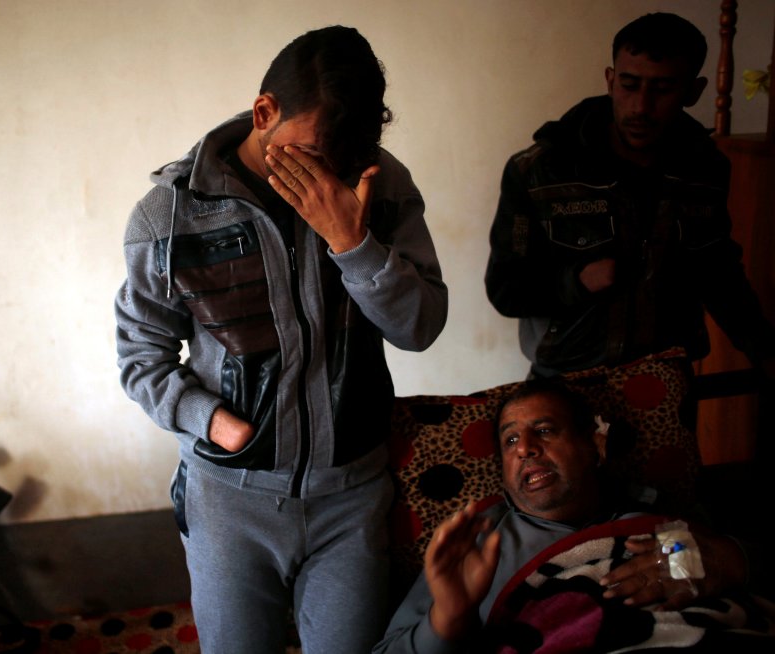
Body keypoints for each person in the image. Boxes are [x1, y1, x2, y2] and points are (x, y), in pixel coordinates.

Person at [114, 26, 447, 654]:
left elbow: (421, 327)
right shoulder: (168, 215)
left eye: (347, 154)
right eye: (315, 150)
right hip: (227, 501)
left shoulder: (380, 182)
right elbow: (141, 358)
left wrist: (354, 244)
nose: (329, 172)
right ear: (265, 112)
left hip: (352, 499)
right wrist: (213, 423)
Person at [373, 380, 772, 653]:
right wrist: (447, 618)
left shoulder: (662, 522)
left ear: (594, 447)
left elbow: (742, 590)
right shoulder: (474, 542)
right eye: (510, 439)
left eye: (545, 430)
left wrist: (730, 560)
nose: (524, 448)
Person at [485, 12, 775, 378]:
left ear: (693, 91)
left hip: (667, 383)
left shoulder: (705, 170)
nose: (641, 106)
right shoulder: (537, 171)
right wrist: (577, 280)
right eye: (629, 84)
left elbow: (719, 273)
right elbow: (505, 289)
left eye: (662, 89)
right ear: (610, 81)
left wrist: (763, 350)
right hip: (567, 387)